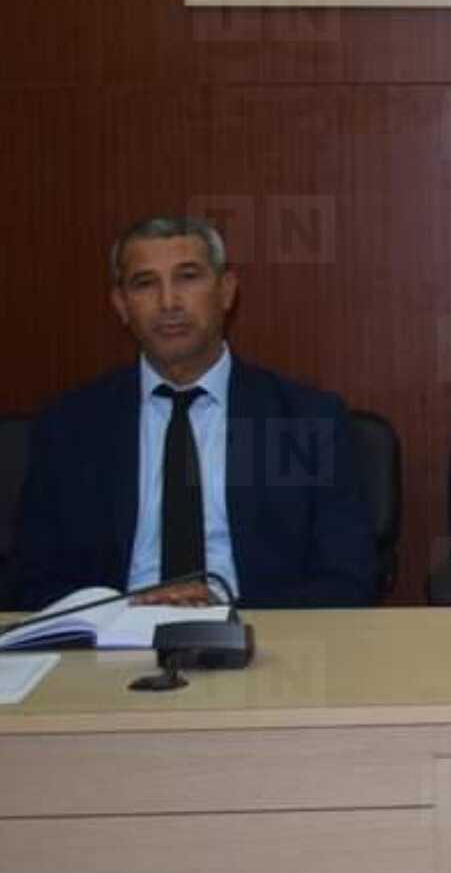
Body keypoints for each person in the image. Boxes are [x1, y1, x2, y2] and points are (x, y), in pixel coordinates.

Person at [10, 217, 376, 610]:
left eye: (187, 277)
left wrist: (226, 609)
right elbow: (28, 582)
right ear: (121, 305)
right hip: (115, 636)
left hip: (259, 631)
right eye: (145, 283)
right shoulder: (69, 428)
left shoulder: (305, 421)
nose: (168, 302)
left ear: (226, 291)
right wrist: (123, 612)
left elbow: (348, 580)